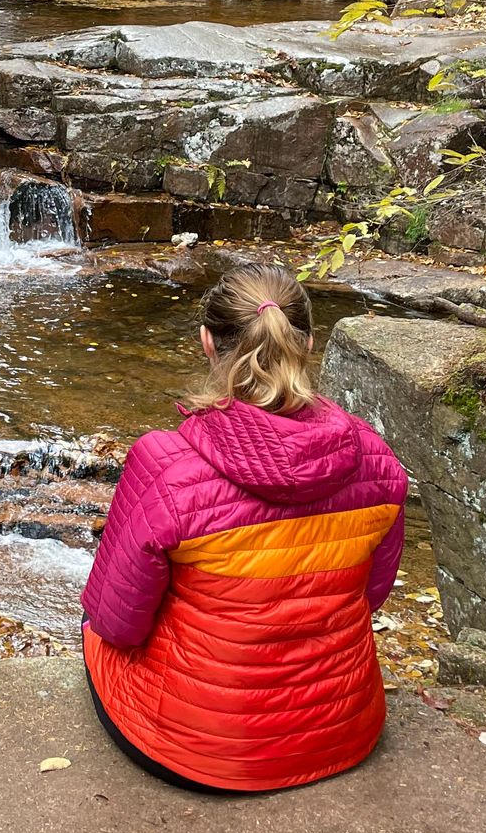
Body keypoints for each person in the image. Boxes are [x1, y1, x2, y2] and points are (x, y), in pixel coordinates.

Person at [81, 263, 408, 794]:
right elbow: (370, 598)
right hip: (343, 732)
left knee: (93, 630)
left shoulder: (166, 465)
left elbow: (118, 624)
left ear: (207, 342)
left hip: (200, 751)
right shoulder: (376, 459)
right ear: (308, 341)